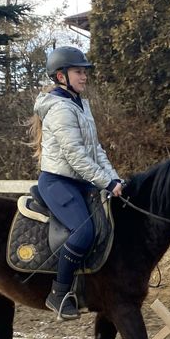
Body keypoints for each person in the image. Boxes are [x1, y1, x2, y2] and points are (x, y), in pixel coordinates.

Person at [31, 46, 124, 320]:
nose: (84, 77)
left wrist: (114, 177)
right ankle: (58, 294)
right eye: (78, 72)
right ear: (61, 77)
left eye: (84, 72)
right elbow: (76, 156)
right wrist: (105, 182)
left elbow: (96, 150)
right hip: (58, 181)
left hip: (80, 181)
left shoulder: (81, 105)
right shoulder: (60, 109)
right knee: (83, 232)